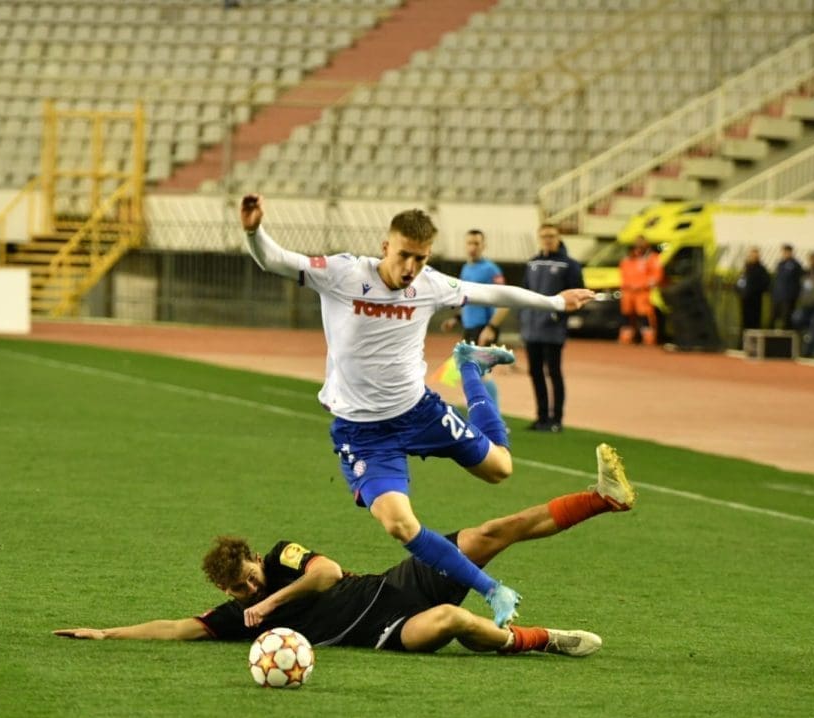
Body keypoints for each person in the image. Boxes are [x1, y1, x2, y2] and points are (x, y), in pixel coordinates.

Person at [239, 195, 595, 626]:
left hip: (418, 412)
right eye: (404, 254)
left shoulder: (429, 285)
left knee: (500, 469)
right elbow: (274, 260)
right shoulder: (343, 274)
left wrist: (556, 302)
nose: (411, 267)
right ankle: (492, 589)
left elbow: (492, 292)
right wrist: (254, 231)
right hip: (364, 432)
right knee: (400, 525)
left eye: (421, 258)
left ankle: (469, 369)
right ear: (385, 246)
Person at [53, 444, 637, 656]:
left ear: (255, 559)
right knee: (455, 620)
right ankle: (540, 640)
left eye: (246, 579)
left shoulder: (283, 559)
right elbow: (179, 628)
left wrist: (273, 603)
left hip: (395, 584)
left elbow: (329, 572)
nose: (247, 591)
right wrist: (108, 633)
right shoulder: (239, 618)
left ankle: (602, 499)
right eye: (236, 590)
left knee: (491, 530)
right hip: (387, 633)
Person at [522, 224, 585, 432]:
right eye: (544, 236)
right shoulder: (533, 263)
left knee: (554, 372)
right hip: (532, 329)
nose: (547, 240)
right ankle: (541, 416)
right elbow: (525, 292)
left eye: (551, 236)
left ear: (558, 237)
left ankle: (556, 418)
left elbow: (577, 295)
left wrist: (558, 315)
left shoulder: (569, 265)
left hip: (552, 330)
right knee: (535, 372)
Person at [440, 229, 510, 413]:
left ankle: (496, 417)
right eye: (469, 243)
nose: (472, 247)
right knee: (470, 373)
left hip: (484, 328)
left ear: (483, 245)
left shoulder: (491, 270)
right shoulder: (466, 268)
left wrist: (491, 327)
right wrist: (455, 318)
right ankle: (479, 412)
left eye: (476, 243)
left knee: (482, 374)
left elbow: (505, 301)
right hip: (470, 327)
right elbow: (467, 299)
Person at [617, 235, 663, 347]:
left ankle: (648, 340)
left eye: (640, 245)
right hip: (628, 291)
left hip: (643, 292)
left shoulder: (652, 258)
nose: (638, 248)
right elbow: (623, 274)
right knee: (626, 316)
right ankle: (626, 339)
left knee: (644, 316)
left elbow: (657, 276)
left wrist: (643, 285)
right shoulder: (628, 259)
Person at [734, 246, 770, 344]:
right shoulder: (746, 269)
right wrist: (740, 292)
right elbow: (739, 282)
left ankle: (754, 344)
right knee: (744, 322)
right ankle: (742, 343)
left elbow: (765, 284)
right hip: (745, 300)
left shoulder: (761, 270)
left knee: (754, 323)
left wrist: (754, 291)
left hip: (755, 300)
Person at [769, 244, 803, 330]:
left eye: (787, 252)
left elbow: (798, 281)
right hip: (777, 296)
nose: (785, 254)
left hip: (788, 297)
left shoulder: (795, 265)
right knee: (773, 317)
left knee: (786, 318)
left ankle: (786, 339)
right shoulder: (780, 264)